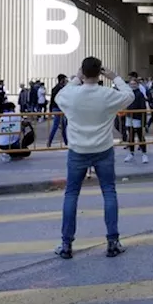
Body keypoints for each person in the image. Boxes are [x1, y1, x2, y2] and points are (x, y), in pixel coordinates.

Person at [52, 57, 133, 259]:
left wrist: (75, 79)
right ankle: (112, 241)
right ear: (100, 73)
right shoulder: (107, 95)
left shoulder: (71, 95)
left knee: (71, 195)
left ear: (82, 72)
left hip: (78, 150)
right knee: (109, 192)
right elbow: (129, 95)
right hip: (103, 149)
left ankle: (66, 244)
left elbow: (58, 96)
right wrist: (115, 77)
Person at [121, 76, 150, 164]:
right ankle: (131, 153)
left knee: (140, 135)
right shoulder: (128, 94)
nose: (133, 85)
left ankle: (144, 154)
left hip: (137, 117)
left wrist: (144, 122)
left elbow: (143, 108)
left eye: (134, 84)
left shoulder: (140, 94)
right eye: (131, 84)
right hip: (129, 116)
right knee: (131, 135)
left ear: (137, 84)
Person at [46, 74, 69, 148]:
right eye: (65, 80)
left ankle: (66, 142)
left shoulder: (55, 88)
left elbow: (51, 100)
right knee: (57, 125)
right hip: (59, 108)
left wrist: (50, 109)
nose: (66, 81)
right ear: (62, 80)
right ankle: (50, 141)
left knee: (63, 126)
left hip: (56, 108)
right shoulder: (60, 89)